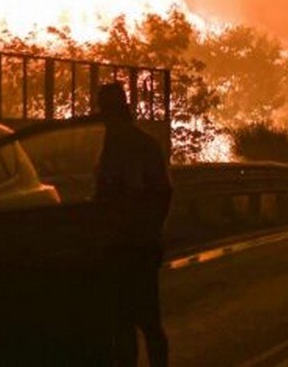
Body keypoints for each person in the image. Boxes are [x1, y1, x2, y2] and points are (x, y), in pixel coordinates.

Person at [94, 82, 173, 367]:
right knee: (125, 324)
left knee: (142, 323)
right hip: (121, 247)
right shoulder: (113, 145)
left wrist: (147, 232)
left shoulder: (135, 145)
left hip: (134, 248)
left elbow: (161, 193)